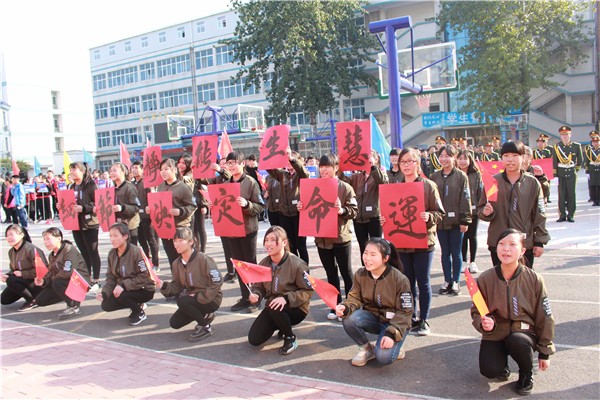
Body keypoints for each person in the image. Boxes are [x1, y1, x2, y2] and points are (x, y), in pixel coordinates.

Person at [472, 229, 555, 396]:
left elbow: (545, 316)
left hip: (523, 332)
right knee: (489, 370)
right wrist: (484, 323)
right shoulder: (485, 279)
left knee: (518, 341)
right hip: (496, 331)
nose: (506, 249)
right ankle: (502, 366)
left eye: (512, 244)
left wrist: (545, 351)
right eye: (501, 244)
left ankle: (526, 373)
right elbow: (476, 311)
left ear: (523, 250)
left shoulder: (534, 279)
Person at [387, 148, 444, 337]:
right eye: (403, 162)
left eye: (410, 161)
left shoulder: (428, 185)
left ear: (418, 163)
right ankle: (410, 317)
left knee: (423, 281)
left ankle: (424, 319)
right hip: (402, 242)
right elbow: (391, 211)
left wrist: (429, 216)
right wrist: (385, 219)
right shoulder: (395, 186)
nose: (406, 165)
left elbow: (439, 213)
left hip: (423, 241)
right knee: (407, 282)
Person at [297, 154, 358, 321]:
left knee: (346, 272)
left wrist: (342, 210)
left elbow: (354, 211)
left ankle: (350, 305)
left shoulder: (345, 187)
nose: (323, 170)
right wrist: (302, 207)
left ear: (336, 167)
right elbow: (309, 208)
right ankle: (335, 305)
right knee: (330, 273)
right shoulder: (313, 186)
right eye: (321, 167)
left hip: (340, 237)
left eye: (327, 166)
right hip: (322, 238)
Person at [335, 238, 412, 366]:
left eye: (373, 254)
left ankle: (396, 342)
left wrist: (391, 334)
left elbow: (405, 311)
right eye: (365, 253)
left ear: (385, 258)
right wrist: (345, 307)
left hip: (394, 323)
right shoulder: (361, 274)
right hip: (374, 318)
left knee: (383, 357)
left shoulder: (399, 279)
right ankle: (366, 349)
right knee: (348, 319)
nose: (367, 258)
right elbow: (354, 297)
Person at [477, 141, 550, 269]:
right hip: (498, 241)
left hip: (523, 243)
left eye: (515, 155)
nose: (510, 160)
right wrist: (485, 212)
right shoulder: (493, 181)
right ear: (501, 158)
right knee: (500, 279)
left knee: (524, 279)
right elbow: (481, 209)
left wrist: (539, 241)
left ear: (523, 157)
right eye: (506, 156)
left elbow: (540, 214)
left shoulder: (532, 183)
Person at [248, 226, 313, 355]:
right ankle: (281, 325)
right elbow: (259, 286)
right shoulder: (264, 263)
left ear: (284, 242)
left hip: (296, 308)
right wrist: (256, 294)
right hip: (274, 306)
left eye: (273, 240)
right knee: (254, 339)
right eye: (266, 240)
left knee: (274, 306)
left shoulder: (297, 264)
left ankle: (290, 338)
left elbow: (308, 291)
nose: (268, 244)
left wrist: (286, 298)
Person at [217, 151, 264, 312]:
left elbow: (260, 206)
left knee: (250, 264)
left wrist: (246, 204)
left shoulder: (250, 182)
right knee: (239, 266)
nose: (231, 166)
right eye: (228, 163)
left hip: (248, 230)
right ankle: (245, 297)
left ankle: (256, 298)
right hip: (232, 231)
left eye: (234, 162)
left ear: (242, 164)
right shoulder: (225, 184)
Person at [160, 227, 223, 342]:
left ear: (191, 242)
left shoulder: (203, 259)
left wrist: (200, 296)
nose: (176, 244)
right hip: (192, 299)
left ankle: (205, 327)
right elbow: (177, 286)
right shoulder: (176, 264)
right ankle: (206, 316)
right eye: (175, 241)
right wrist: (163, 285)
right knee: (174, 323)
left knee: (182, 301)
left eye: (180, 240)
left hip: (211, 299)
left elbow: (217, 281)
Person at [430, 145, 471, 295]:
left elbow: (465, 198)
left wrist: (465, 220)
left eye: (447, 156)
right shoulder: (434, 177)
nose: (444, 159)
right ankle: (447, 280)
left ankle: (455, 281)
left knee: (456, 252)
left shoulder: (461, 176)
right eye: (441, 156)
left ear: (454, 158)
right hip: (440, 222)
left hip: (456, 222)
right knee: (445, 252)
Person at [97, 223, 156, 326]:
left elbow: (145, 276)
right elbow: (111, 277)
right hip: (125, 289)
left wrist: (123, 285)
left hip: (144, 289)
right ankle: (135, 304)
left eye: (115, 236)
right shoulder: (112, 253)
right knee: (106, 305)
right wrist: (105, 293)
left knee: (122, 295)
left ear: (125, 236)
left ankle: (139, 312)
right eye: (110, 236)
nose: (112, 239)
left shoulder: (136, 252)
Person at [34, 227, 90, 320]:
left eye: (48, 239)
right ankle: (69, 297)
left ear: (59, 238)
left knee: (57, 282)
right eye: (44, 239)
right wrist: (43, 281)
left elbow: (68, 272)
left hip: (79, 281)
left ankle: (73, 306)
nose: (45, 242)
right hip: (63, 281)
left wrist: (53, 279)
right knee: (40, 300)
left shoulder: (69, 250)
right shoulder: (52, 255)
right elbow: (51, 272)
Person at [266, 147, 310, 264]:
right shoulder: (282, 174)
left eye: (291, 160)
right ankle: (294, 268)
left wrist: (291, 158)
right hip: (284, 215)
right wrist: (264, 151)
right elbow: (270, 168)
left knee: (301, 246)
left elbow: (304, 173)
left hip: (298, 214)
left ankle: (304, 269)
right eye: (287, 160)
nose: (289, 162)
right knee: (291, 246)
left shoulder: (301, 175)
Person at [152, 158, 197, 268]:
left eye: (166, 169)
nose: (163, 172)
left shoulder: (183, 187)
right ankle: (176, 278)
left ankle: (189, 278)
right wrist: (151, 208)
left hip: (180, 228)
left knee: (184, 259)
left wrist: (181, 211)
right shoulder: (161, 187)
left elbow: (192, 206)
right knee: (172, 260)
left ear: (174, 170)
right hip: (166, 228)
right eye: (161, 170)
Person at [348, 149, 389, 263]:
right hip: (359, 218)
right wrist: (340, 166)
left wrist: (373, 167)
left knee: (376, 247)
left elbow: (383, 183)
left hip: (374, 217)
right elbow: (343, 181)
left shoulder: (379, 174)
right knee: (363, 248)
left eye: (370, 158)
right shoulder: (357, 176)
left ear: (376, 159)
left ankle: (379, 268)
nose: (367, 161)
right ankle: (366, 269)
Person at [68, 162, 102, 290]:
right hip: (76, 224)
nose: (72, 172)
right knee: (83, 253)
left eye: (74, 170)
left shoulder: (91, 185)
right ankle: (87, 279)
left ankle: (96, 280)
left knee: (93, 252)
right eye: (71, 170)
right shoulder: (71, 186)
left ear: (82, 171)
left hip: (90, 223)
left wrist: (83, 208)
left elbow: (98, 202)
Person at [0, 225, 46, 311]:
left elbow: (43, 271)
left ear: (21, 235)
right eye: (7, 235)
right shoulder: (11, 251)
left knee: (12, 280)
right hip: (23, 281)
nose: (9, 238)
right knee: (4, 299)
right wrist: (7, 275)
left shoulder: (31, 249)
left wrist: (23, 274)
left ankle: (32, 300)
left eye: (11, 234)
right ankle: (26, 293)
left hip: (38, 283)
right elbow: (13, 269)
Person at [131, 161, 160, 270]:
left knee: (151, 240)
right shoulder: (132, 184)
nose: (134, 170)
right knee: (141, 241)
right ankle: (147, 261)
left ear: (142, 170)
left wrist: (150, 206)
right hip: (136, 217)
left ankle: (156, 264)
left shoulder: (148, 182)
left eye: (136, 168)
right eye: (133, 168)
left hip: (147, 217)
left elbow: (153, 197)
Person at [457, 149, 483, 274]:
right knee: (462, 236)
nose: (462, 161)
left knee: (472, 236)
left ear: (470, 160)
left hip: (473, 211)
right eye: (460, 158)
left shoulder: (476, 174)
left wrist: (479, 207)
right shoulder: (455, 174)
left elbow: (480, 192)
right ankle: (463, 261)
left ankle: (472, 262)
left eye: (465, 159)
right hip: (459, 211)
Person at [553, 125, 583, 222]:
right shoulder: (557, 147)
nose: (565, 137)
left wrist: (576, 170)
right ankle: (562, 215)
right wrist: (555, 175)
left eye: (566, 134)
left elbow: (580, 160)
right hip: (561, 173)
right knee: (561, 195)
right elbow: (554, 162)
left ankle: (571, 215)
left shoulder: (576, 146)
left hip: (571, 172)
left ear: (570, 135)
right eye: (563, 135)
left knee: (571, 194)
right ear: (560, 136)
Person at [109, 162, 141, 245]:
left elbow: (136, 207)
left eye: (114, 170)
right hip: (118, 226)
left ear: (123, 172)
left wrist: (122, 208)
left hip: (129, 226)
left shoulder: (129, 187)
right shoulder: (112, 189)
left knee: (130, 250)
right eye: (111, 171)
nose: (112, 173)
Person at [533, 134, 553, 203]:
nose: (540, 144)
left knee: (546, 184)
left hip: (545, 170)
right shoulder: (534, 152)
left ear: (544, 143)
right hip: (537, 171)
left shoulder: (547, 152)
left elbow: (549, 161)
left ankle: (547, 196)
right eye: (538, 142)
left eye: (541, 142)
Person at [584, 131, 600, 206]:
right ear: (592, 143)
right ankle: (594, 200)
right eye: (594, 142)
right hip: (592, 170)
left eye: (597, 142)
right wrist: (587, 171)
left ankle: (598, 200)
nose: (596, 143)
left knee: (599, 186)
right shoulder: (589, 150)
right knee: (592, 185)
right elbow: (587, 161)